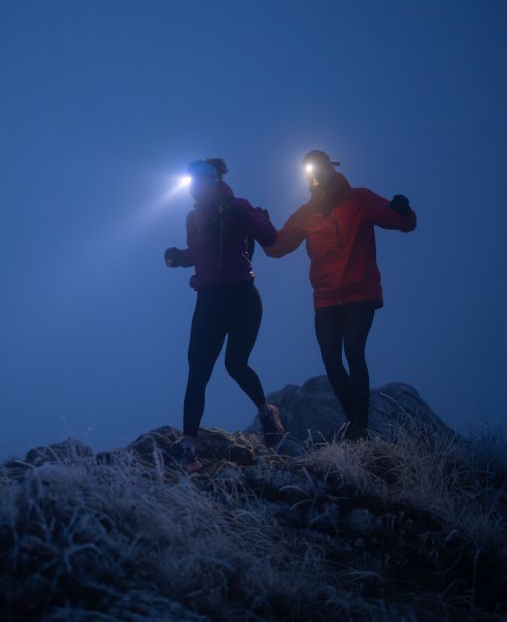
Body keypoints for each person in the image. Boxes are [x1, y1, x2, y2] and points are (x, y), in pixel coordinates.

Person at [262, 149, 416, 441]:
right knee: (330, 358)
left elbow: (405, 224)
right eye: (310, 172)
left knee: (353, 348)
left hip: (360, 291)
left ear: (331, 170)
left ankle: (360, 427)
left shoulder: (359, 199)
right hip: (326, 297)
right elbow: (277, 248)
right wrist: (263, 228)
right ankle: (356, 426)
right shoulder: (306, 214)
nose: (316, 176)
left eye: (320, 169)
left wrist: (403, 209)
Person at [164, 158, 285, 470]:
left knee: (235, 364)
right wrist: (180, 257)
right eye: (191, 181)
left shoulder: (239, 206)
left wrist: (247, 214)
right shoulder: (193, 217)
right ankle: (189, 447)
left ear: (215, 181)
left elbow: (272, 239)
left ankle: (266, 413)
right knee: (198, 372)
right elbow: (198, 253)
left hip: (242, 297)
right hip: (208, 300)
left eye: (200, 180)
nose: (195, 186)